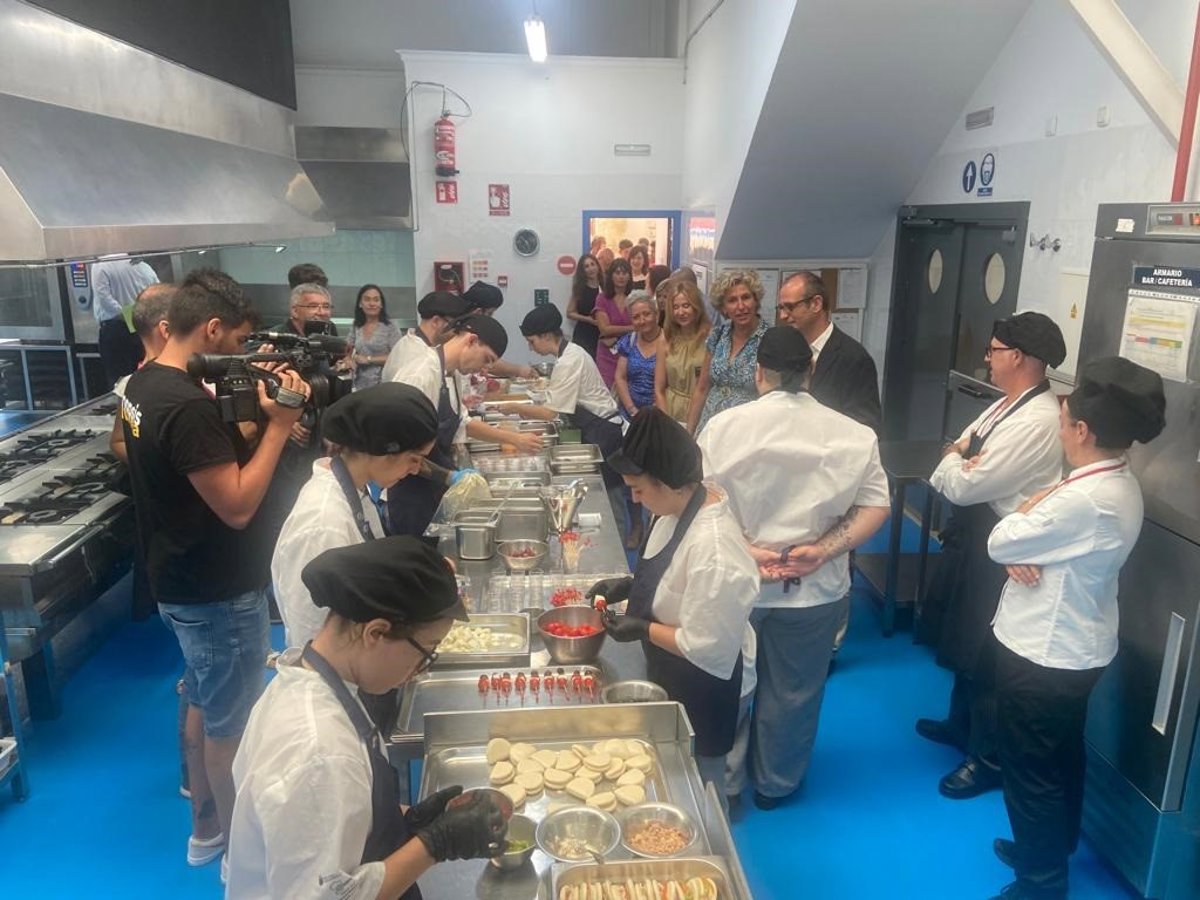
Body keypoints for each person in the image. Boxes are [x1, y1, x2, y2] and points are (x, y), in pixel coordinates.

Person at [120, 268, 309, 867]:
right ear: (210, 327)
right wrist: (280, 425)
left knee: (202, 704)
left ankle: (206, 833)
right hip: (217, 592)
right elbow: (237, 505)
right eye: (237, 341)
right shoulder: (184, 405)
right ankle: (241, 857)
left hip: (179, 578)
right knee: (234, 729)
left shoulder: (143, 385)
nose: (241, 352)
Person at [227, 537, 509, 899]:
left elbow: (341, 815)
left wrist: (407, 819)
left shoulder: (315, 681)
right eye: (426, 653)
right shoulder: (320, 753)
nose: (420, 670)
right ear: (375, 632)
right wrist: (435, 844)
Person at [985, 357, 1165, 900]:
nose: (1060, 430)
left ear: (1082, 430)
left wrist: (1026, 513)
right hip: (1074, 649)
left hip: (1044, 654)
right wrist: (1026, 539)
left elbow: (1000, 541)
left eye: (1063, 422)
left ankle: (1041, 881)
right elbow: (1027, 543)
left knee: (1030, 769)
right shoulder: (1112, 481)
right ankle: (1050, 847)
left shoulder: (1084, 499)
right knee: (1062, 754)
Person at [698, 327, 890, 810]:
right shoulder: (855, 435)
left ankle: (727, 785)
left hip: (740, 580)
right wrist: (823, 550)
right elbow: (876, 506)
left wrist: (746, 549)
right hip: (814, 587)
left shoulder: (723, 427)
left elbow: (702, 500)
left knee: (729, 685)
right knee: (795, 692)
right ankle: (776, 784)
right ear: (812, 371)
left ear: (759, 372)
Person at [917, 312, 1067, 801]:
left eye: (993, 350)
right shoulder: (1004, 404)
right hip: (977, 534)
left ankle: (987, 759)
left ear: (1017, 357)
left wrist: (955, 459)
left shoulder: (1037, 421)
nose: (987, 358)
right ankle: (960, 726)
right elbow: (958, 447)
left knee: (986, 651)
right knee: (963, 637)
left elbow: (964, 483)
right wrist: (957, 455)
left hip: (1003, 541)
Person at [588, 408, 759, 804]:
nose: (634, 498)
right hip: (673, 670)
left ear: (667, 483)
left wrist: (642, 628)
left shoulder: (715, 550)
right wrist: (630, 586)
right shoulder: (677, 505)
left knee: (702, 785)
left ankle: (716, 821)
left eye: (638, 489)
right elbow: (674, 577)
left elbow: (706, 644)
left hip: (706, 683)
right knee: (674, 770)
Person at [272, 383, 439, 650]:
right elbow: (313, 635)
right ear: (384, 452)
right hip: (341, 666)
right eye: (414, 458)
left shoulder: (357, 491)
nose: (416, 469)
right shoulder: (324, 525)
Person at [387, 314, 530, 537]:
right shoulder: (421, 374)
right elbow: (399, 452)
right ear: (471, 340)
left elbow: (462, 423)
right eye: (486, 359)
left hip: (434, 489)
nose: (485, 369)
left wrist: (514, 439)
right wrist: (450, 477)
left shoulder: (451, 374)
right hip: (411, 497)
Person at [508, 304, 626, 506]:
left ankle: (624, 526)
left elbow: (549, 413)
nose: (530, 347)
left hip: (603, 431)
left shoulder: (569, 361)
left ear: (546, 336)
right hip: (597, 427)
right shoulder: (571, 352)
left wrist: (514, 407)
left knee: (610, 498)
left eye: (531, 341)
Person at [777, 271, 881, 433]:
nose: (783, 316)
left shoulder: (853, 358)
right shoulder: (786, 351)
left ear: (816, 304)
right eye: (781, 308)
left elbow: (865, 427)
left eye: (790, 307)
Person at [687, 269, 769, 435]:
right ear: (723, 308)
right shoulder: (717, 335)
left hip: (745, 432)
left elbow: (772, 399)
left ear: (756, 300)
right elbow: (702, 388)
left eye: (746, 297)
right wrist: (688, 433)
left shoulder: (770, 340)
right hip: (709, 428)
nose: (741, 306)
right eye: (732, 300)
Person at [614, 292, 664, 548]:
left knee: (658, 475)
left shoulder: (669, 340)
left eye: (647, 314)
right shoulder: (629, 341)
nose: (642, 320)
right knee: (632, 476)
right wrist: (632, 410)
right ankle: (636, 525)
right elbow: (620, 377)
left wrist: (656, 411)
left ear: (656, 314)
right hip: (631, 417)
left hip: (659, 416)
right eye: (636, 317)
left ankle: (658, 529)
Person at [110, 283, 175, 463]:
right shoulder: (129, 385)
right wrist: (156, 465)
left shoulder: (129, 383)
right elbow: (118, 441)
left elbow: (117, 442)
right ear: (166, 330)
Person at [92, 254, 160, 388]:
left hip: (115, 329)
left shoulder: (100, 265)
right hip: (142, 327)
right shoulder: (143, 266)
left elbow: (104, 299)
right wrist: (138, 314)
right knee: (143, 374)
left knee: (119, 380)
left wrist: (127, 314)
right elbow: (158, 293)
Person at [654, 280, 711, 425]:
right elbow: (659, 389)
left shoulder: (710, 338)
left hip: (702, 410)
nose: (681, 312)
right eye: (676, 307)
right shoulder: (665, 340)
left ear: (696, 307)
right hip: (671, 410)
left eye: (686, 306)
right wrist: (666, 423)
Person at [381, 291, 469, 384]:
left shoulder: (415, 344)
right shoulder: (416, 357)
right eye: (456, 326)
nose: (457, 333)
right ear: (436, 321)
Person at [460, 280, 534, 379]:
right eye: (490, 313)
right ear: (478, 312)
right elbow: (483, 360)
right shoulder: (461, 329)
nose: (491, 318)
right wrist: (519, 370)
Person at [346, 285, 403, 391]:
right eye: (367, 299)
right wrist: (348, 360)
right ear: (360, 304)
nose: (372, 303)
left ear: (381, 304)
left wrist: (369, 359)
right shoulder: (356, 326)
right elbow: (348, 350)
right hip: (359, 385)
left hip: (384, 385)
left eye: (376, 300)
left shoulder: (391, 326)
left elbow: (398, 357)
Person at [594, 258, 635, 387]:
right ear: (611, 276)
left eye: (624, 273)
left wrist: (617, 330)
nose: (621, 276)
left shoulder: (634, 298)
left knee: (627, 389)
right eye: (617, 273)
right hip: (607, 353)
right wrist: (632, 328)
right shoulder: (602, 298)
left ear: (629, 276)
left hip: (630, 353)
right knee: (607, 389)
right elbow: (605, 329)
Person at [566, 253, 604, 360]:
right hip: (584, 334)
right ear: (582, 271)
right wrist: (588, 319)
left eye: (592, 264)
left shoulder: (606, 286)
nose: (591, 268)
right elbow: (569, 313)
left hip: (602, 334)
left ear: (597, 266)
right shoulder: (579, 288)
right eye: (586, 266)